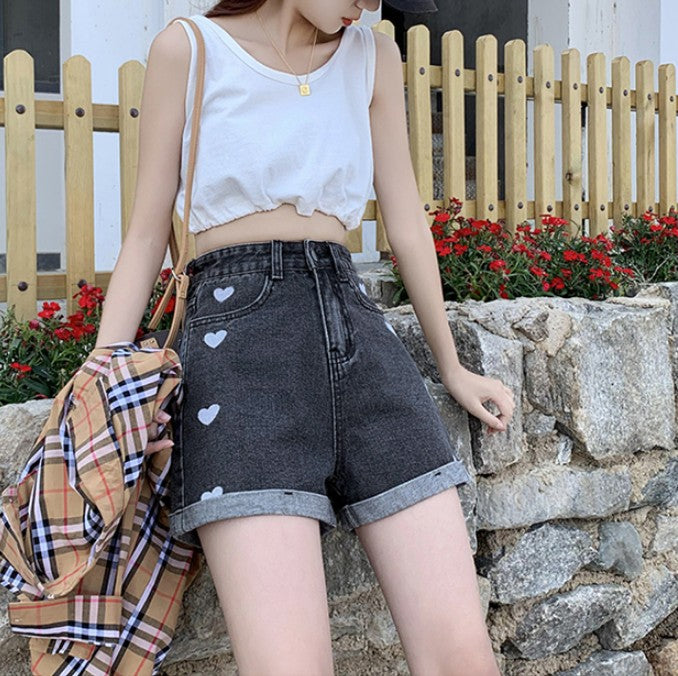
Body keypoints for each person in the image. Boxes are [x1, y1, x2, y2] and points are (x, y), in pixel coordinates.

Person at [94, 0, 512, 673]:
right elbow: (145, 234)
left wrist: (452, 366)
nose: (367, 6)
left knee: (462, 657)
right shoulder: (190, 49)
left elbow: (407, 223)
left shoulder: (373, 56)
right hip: (238, 359)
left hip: (359, 337)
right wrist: (103, 384)